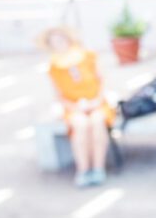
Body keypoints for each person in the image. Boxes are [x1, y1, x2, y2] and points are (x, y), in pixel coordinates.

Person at [41, 27, 115, 188]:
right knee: (80, 126)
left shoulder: (88, 57)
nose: (58, 45)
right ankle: (83, 170)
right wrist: (75, 106)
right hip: (73, 107)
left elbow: (102, 81)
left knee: (97, 122)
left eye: (60, 41)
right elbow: (58, 95)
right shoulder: (54, 67)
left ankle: (98, 168)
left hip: (97, 103)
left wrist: (96, 101)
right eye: (54, 43)